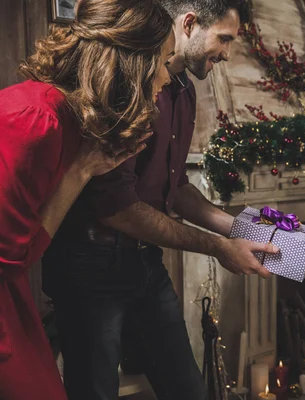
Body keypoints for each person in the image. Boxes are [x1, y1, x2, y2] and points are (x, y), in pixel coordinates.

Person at [42, 1, 276, 399]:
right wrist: (220, 247)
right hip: (90, 265)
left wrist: (240, 228)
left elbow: (176, 188)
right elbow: (116, 206)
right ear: (189, 23)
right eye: (223, 38)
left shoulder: (184, 92)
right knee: (94, 391)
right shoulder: (128, 85)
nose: (226, 53)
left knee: (188, 390)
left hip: (146, 261)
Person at [0, 0, 175, 398]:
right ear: (134, 63)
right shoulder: (38, 120)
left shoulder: (65, 118)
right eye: (164, 62)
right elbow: (11, 261)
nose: (166, 77)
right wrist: (80, 173)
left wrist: (83, 168)